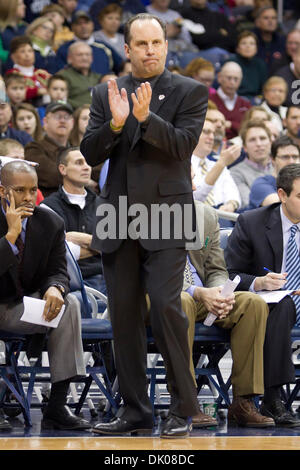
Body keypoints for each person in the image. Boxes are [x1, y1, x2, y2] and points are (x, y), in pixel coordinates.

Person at [80, 13, 208, 438]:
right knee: (124, 318)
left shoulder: (190, 91)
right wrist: (117, 122)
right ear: (128, 49)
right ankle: (135, 411)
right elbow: (91, 152)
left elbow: (183, 145)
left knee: (167, 308)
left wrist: (147, 118)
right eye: (142, 44)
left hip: (166, 216)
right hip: (117, 215)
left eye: (157, 43)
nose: (150, 50)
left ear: (166, 47)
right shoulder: (105, 92)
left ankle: (183, 408)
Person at [0, 160, 91, 431]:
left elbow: (58, 270)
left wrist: (55, 288)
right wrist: (11, 236)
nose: (29, 198)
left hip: (21, 307)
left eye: (33, 190)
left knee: (69, 305)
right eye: (20, 190)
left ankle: (57, 407)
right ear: (2, 191)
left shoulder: (50, 221)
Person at [182, 198, 274, 428]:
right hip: (158, 295)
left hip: (203, 295)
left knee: (252, 303)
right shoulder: (142, 211)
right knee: (181, 300)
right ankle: (185, 400)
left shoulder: (204, 214)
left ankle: (243, 401)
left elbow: (216, 268)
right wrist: (197, 291)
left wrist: (220, 291)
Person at [224, 164, 300, 427]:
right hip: (269, 306)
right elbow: (229, 274)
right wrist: (258, 282)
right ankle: (273, 398)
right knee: (284, 303)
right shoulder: (252, 222)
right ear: (282, 194)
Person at [42, 147, 106, 293]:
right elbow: (57, 253)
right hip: (69, 281)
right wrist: (100, 246)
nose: (86, 167)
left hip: (106, 276)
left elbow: (117, 246)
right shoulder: (48, 207)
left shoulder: (104, 204)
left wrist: (78, 238)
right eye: (78, 162)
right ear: (63, 169)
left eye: (87, 163)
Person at [191, 119, 241, 223]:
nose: (211, 137)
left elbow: (233, 193)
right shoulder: (182, 164)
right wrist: (221, 163)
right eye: (206, 132)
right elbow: (195, 197)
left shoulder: (215, 164)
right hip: (196, 219)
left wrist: (231, 204)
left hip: (224, 217)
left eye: (213, 133)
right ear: (192, 133)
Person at [25, 101, 74, 197]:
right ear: (45, 122)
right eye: (57, 116)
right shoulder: (33, 148)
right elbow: (50, 175)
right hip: (48, 205)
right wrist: (80, 178)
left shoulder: (77, 149)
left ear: (72, 123)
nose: (62, 121)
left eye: (66, 117)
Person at [55, 10, 123, 76]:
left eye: (86, 22)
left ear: (92, 25)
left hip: (104, 86)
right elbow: (59, 76)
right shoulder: (64, 49)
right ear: (72, 27)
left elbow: (123, 67)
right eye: (79, 23)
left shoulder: (104, 47)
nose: (83, 26)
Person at [230, 119, 273, 208]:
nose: (259, 144)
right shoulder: (235, 172)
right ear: (244, 147)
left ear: (270, 142)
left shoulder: (280, 167)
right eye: (252, 140)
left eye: (263, 138)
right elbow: (248, 203)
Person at [249, 135, 300, 209]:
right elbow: (279, 207)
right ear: (273, 160)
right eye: (285, 157)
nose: (291, 161)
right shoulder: (261, 184)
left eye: (295, 157)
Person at [210, 61, 251, 140]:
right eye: (229, 78)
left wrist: (231, 124)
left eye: (236, 79)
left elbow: (249, 130)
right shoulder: (209, 101)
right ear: (219, 78)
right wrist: (237, 126)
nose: (232, 82)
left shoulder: (246, 104)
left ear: (240, 81)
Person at [5, 36, 50, 106]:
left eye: (30, 51)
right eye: (22, 51)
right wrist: (38, 91)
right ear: (13, 56)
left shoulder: (42, 74)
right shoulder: (11, 74)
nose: (27, 55)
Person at [57, 42, 101, 109]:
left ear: (92, 58)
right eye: (79, 55)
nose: (84, 58)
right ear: (70, 58)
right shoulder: (62, 76)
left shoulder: (98, 77)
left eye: (87, 54)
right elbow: (59, 100)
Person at [227, 30, 268, 101]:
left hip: (255, 100)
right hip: (234, 98)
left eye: (252, 43)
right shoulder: (231, 63)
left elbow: (264, 88)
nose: (248, 46)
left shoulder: (260, 64)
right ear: (237, 48)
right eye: (243, 43)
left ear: (256, 48)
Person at [252, 6, 286, 75]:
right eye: (266, 18)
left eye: (273, 18)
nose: (270, 21)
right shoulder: (250, 39)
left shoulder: (282, 40)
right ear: (257, 22)